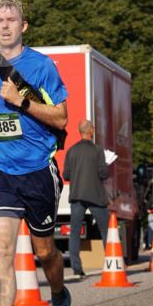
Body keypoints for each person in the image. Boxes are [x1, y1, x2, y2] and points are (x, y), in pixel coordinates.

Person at [0, 0, 71, 306]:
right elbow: (7, 119)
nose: (5, 26)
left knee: (44, 252)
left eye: (11, 20)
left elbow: (61, 117)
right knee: (1, 250)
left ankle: (59, 297)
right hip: (2, 170)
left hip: (37, 171)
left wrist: (22, 101)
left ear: (23, 26)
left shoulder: (42, 66)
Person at [63, 119, 110, 279]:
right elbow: (104, 173)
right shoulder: (98, 150)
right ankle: (111, 263)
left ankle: (77, 269)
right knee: (106, 230)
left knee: (75, 233)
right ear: (91, 131)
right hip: (95, 196)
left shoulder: (71, 151)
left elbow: (66, 175)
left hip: (76, 196)